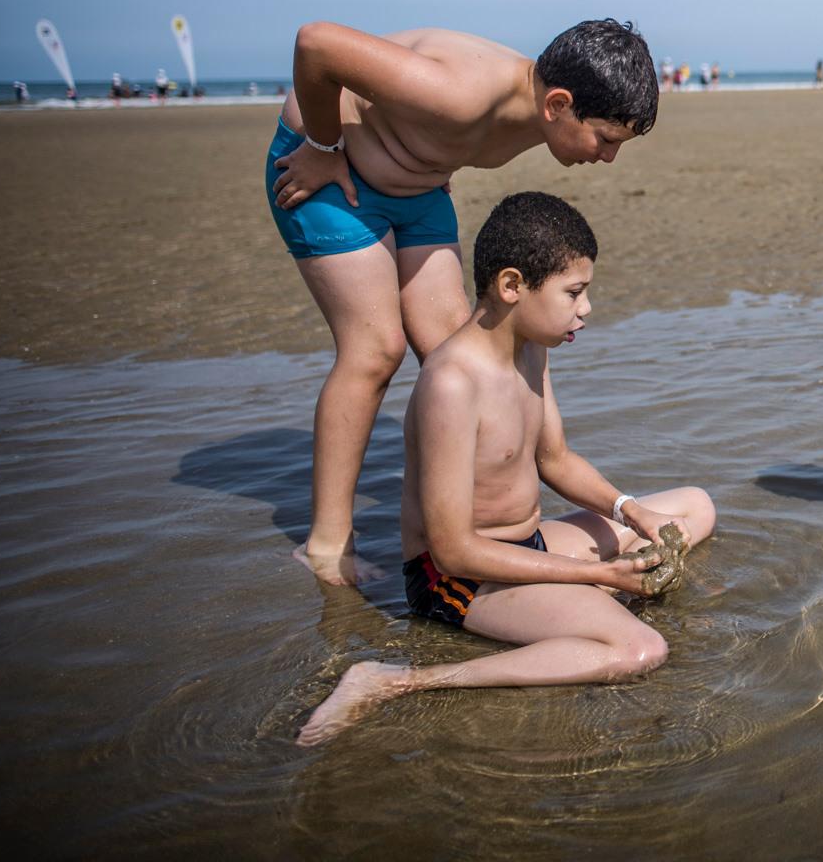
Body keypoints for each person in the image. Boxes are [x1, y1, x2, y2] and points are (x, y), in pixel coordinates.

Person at [296, 192, 716, 745]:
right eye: (574, 292)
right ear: (512, 285)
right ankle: (399, 680)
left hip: (530, 545)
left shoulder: (531, 346)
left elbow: (555, 460)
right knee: (641, 649)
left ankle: (586, 600)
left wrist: (630, 512)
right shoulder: (452, 384)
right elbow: (452, 551)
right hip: (460, 580)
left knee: (695, 505)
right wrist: (598, 574)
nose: (586, 309)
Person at [268, 19, 657, 585]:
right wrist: (325, 146)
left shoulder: (541, 108)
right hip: (326, 173)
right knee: (376, 351)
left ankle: (471, 529)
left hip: (418, 186)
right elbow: (316, 45)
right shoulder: (460, 91)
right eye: (605, 139)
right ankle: (327, 543)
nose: (607, 158)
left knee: (467, 346)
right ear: (558, 104)